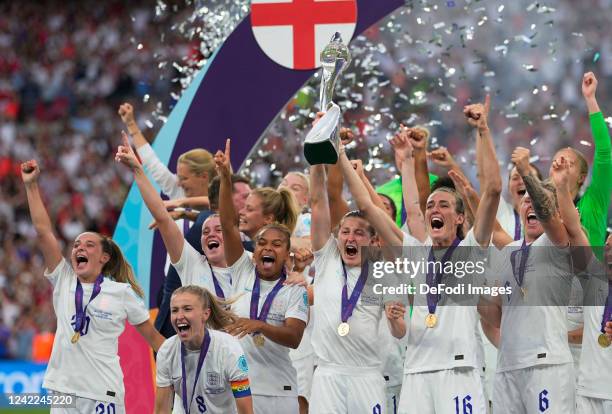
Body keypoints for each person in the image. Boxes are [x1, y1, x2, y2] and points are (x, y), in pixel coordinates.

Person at [21, 159, 164, 413]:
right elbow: (44, 232)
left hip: (103, 393)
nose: (79, 248)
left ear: (104, 257)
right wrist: (31, 186)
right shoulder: (63, 278)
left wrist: (188, 359)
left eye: (88, 245)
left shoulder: (121, 293)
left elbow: (153, 339)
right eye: (76, 245)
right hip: (63, 392)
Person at [308, 119, 406, 412]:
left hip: (367, 374)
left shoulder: (383, 271)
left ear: (373, 240)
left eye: (359, 232)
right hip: (327, 374)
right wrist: (316, 152)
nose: (350, 237)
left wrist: (394, 319)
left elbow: (400, 333)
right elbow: (317, 202)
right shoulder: (326, 259)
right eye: (345, 231)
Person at [483, 148, 579, 413]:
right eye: (524, 199)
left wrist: (526, 172)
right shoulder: (509, 252)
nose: (529, 203)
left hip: (546, 364)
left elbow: (548, 214)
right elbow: (493, 316)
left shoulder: (557, 243)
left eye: (535, 199)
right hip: (508, 365)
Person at [216, 139, 309, 413]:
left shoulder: (294, 282)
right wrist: (224, 177)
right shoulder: (243, 264)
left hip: (278, 391)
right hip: (239, 387)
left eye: (249, 207)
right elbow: (226, 224)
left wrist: (259, 325)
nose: (267, 249)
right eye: (261, 244)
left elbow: (293, 337)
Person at [116, 132, 231, 299]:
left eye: (183, 177)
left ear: (203, 177)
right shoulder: (179, 192)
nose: (178, 182)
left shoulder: (221, 205)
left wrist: (182, 205)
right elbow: (153, 165)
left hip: (214, 291)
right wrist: (132, 126)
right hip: (176, 290)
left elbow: (223, 207)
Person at [155, 286, 254, 414]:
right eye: (174, 310)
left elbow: (246, 411)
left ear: (205, 314)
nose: (179, 316)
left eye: (187, 309)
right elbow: (161, 411)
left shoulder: (229, 348)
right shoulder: (167, 350)